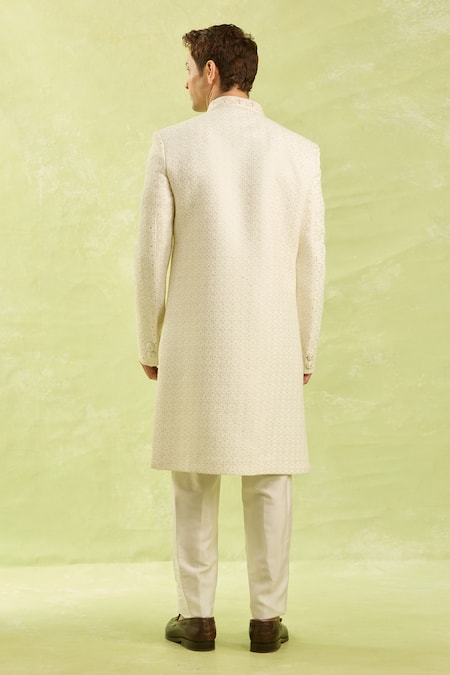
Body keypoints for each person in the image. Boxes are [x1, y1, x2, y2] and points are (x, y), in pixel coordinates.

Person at [135, 24, 325, 653]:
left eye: (189, 69)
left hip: (196, 340)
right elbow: (311, 262)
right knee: (269, 477)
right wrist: (306, 347)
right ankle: (267, 621)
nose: (185, 82)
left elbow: (150, 258)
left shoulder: (172, 145)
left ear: (212, 72)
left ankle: (197, 618)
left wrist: (149, 342)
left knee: (193, 477)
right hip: (273, 339)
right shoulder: (300, 152)